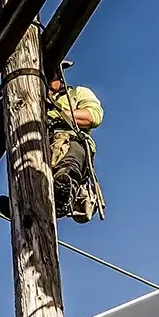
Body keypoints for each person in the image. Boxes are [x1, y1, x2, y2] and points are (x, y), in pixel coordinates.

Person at [47, 61, 105, 223]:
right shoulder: (29, 101)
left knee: (69, 161)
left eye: (54, 75)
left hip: (72, 141)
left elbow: (92, 116)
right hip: (40, 147)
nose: (51, 80)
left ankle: (64, 192)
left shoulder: (77, 93)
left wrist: (53, 115)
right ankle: (24, 201)